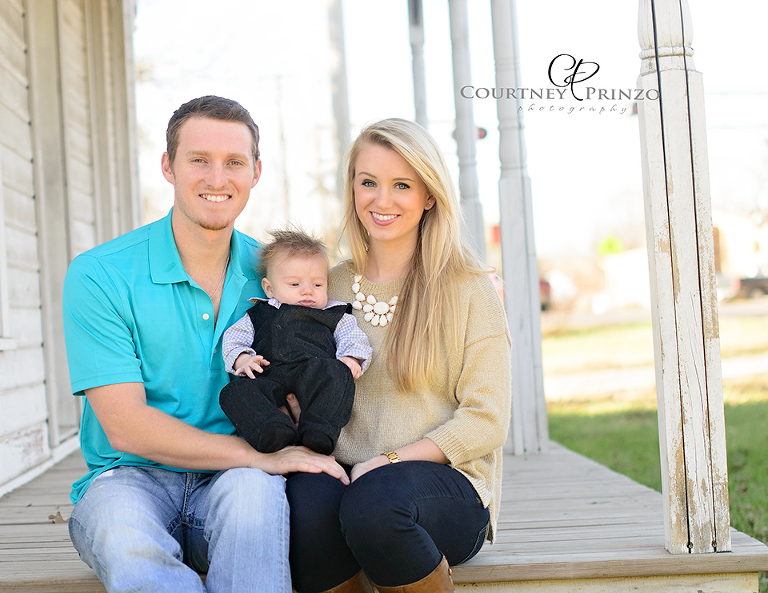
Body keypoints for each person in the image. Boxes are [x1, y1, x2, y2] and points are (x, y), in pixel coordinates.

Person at [62, 96, 348, 593]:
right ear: (168, 166)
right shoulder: (101, 274)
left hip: (237, 477)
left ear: (256, 172)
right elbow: (125, 427)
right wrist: (261, 457)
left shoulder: (277, 278)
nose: (218, 179)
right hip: (130, 477)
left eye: (234, 162)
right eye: (199, 160)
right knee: (125, 538)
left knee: (256, 505)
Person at [285, 118, 512, 593]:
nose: (381, 200)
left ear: (429, 195)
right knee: (302, 503)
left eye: (402, 185)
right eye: (368, 182)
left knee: (375, 504)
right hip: (345, 475)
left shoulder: (469, 289)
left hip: (443, 488)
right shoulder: (325, 287)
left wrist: (388, 461)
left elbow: (487, 420)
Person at [219, 229, 372, 455]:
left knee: (337, 373)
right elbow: (234, 338)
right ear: (269, 288)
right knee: (233, 392)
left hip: (314, 381)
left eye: (317, 285)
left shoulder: (335, 315)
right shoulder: (259, 313)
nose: (307, 291)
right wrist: (242, 359)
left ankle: (319, 431)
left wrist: (351, 359)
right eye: (294, 284)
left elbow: (355, 339)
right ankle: (272, 431)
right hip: (268, 379)